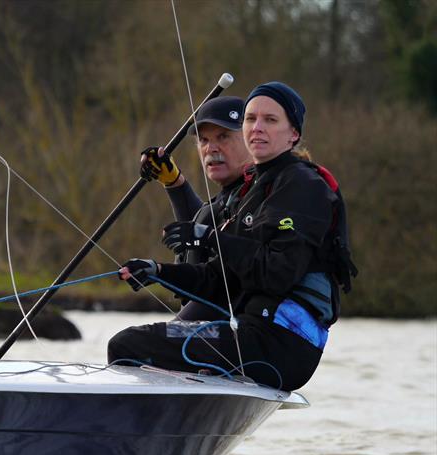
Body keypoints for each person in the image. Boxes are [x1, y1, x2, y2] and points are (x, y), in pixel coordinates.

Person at [108, 82, 357, 391]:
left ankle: (151, 436)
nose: (257, 128)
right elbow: (218, 280)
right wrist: (158, 272)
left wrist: (209, 238)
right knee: (135, 342)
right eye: (250, 119)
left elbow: (277, 273)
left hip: (278, 345)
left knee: (129, 345)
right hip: (247, 334)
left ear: (293, 134)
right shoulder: (255, 191)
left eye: (270, 120)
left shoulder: (303, 186)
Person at [140, 96, 251, 320]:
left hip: (242, 329)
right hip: (209, 321)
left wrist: (159, 271)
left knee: (127, 346)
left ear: (251, 139)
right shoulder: (226, 197)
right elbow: (204, 225)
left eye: (223, 137)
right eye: (203, 140)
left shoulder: (262, 193)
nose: (211, 148)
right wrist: (173, 183)